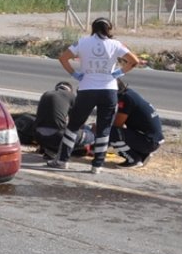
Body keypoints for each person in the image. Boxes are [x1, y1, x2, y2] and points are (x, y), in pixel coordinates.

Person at [51, 17, 141, 174]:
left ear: (92, 28)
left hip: (87, 89)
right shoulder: (115, 44)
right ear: (109, 29)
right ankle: (97, 165)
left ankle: (62, 160)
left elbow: (63, 58)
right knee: (104, 129)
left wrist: (75, 74)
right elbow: (134, 61)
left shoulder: (83, 42)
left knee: (73, 125)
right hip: (109, 90)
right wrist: (118, 73)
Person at [33, 81, 94, 160]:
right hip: (57, 136)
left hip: (38, 137)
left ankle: (51, 151)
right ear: (70, 90)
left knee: (57, 131)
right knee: (89, 134)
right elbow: (76, 121)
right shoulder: (71, 96)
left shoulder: (46, 94)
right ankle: (93, 149)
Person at [112, 79, 163, 168]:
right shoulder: (129, 93)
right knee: (117, 132)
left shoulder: (125, 99)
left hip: (149, 141)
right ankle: (142, 155)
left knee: (111, 132)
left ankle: (133, 159)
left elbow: (117, 124)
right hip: (153, 139)